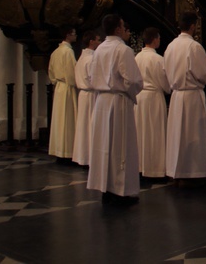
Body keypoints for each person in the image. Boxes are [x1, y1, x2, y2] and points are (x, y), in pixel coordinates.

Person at [87, 14, 144, 205]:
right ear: (118, 29)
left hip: (101, 101)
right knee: (120, 147)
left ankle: (106, 187)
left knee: (104, 146)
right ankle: (120, 190)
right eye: (122, 25)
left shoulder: (99, 49)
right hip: (118, 101)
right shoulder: (123, 49)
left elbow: (92, 77)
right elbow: (133, 80)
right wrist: (132, 92)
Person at [164, 12, 206, 183]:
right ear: (193, 26)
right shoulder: (193, 47)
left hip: (177, 95)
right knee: (192, 135)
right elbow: (205, 71)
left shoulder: (171, 45)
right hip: (192, 95)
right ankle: (192, 173)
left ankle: (176, 171)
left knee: (178, 135)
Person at [134, 27, 171, 179]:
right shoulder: (158, 59)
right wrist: (168, 89)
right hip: (154, 97)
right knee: (154, 133)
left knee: (141, 132)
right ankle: (154, 168)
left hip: (139, 97)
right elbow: (165, 82)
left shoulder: (137, 58)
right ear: (155, 39)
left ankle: (140, 165)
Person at [48, 26, 78, 162]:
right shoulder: (67, 52)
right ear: (68, 35)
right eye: (74, 33)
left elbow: (51, 72)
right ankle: (67, 152)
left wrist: (56, 81)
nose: (75, 36)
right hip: (67, 87)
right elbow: (72, 72)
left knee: (59, 120)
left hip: (59, 87)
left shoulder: (55, 52)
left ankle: (58, 150)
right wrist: (76, 83)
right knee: (67, 120)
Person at [72, 30, 101, 167]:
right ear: (91, 42)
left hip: (83, 94)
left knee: (83, 126)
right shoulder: (91, 59)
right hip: (91, 94)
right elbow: (94, 78)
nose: (99, 42)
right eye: (98, 39)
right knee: (90, 125)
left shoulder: (81, 58)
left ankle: (82, 155)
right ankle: (89, 157)